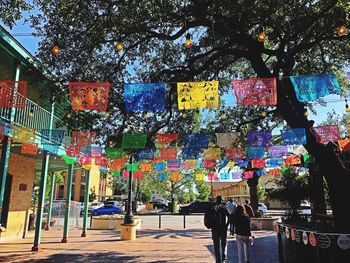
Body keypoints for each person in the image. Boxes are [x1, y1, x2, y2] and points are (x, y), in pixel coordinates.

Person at [211, 196, 230, 263]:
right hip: (223, 229)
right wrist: (226, 225)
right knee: (224, 243)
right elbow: (229, 217)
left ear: (216, 200)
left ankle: (218, 260)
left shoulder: (213, 208)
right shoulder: (224, 208)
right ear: (221, 201)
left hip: (215, 229)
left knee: (216, 245)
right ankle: (224, 258)